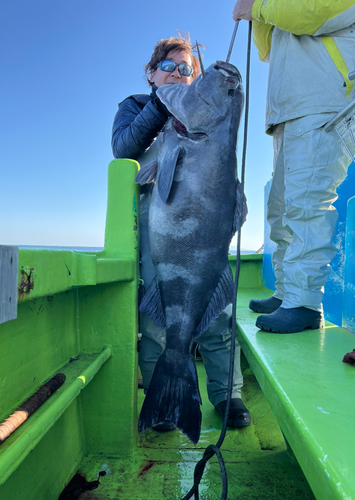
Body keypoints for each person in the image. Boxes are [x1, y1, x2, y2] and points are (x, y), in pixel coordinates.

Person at [111, 33, 251, 428]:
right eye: (168, 67)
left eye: (186, 70)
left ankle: (228, 395)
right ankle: (164, 401)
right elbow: (123, 148)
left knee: (219, 319)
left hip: (204, 234)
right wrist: (160, 104)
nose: (177, 74)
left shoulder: (204, 121)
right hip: (158, 234)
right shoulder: (136, 107)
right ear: (151, 73)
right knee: (157, 325)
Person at [233, 0, 355, 333]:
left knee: (307, 205)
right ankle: (287, 292)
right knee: (281, 209)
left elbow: (312, 14)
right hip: (290, 112)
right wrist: (257, 9)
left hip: (325, 103)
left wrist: (256, 5)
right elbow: (266, 49)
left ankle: (303, 303)